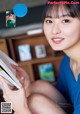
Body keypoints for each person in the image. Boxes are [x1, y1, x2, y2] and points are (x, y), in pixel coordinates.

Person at [0, 0, 80, 114]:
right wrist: (25, 86)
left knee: (32, 102)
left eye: (65, 20)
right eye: (49, 21)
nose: (54, 30)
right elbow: (65, 101)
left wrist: (22, 110)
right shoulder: (67, 62)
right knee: (36, 87)